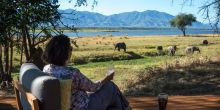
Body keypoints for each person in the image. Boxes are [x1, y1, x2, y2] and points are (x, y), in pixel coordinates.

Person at [42, 34, 131, 110]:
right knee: (110, 86)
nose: (71, 51)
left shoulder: (46, 69)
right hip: (85, 107)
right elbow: (94, 88)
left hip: (70, 105)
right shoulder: (73, 73)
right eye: (70, 48)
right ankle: (127, 107)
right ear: (64, 53)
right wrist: (107, 78)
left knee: (113, 95)